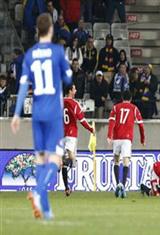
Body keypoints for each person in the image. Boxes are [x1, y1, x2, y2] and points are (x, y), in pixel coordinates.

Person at [10, 13, 72, 220]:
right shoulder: (57, 52)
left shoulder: (29, 55)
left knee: (40, 159)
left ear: (37, 30)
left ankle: (45, 209)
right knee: (55, 158)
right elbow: (68, 78)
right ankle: (38, 192)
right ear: (52, 30)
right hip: (53, 112)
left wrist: (17, 114)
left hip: (36, 112)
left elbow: (22, 87)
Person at [107, 90, 145, 198]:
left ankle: (117, 184)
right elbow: (141, 125)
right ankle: (123, 185)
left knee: (116, 161)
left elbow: (111, 122)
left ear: (122, 98)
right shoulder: (134, 108)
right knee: (126, 162)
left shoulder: (116, 107)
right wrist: (142, 139)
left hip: (117, 138)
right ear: (131, 98)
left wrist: (109, 136)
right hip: (127, 139)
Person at [62, 84, 94, 196]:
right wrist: (91, 129)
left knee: (64, 163)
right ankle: (73, 162)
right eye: (74, 88)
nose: (76, 90)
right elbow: (82, 120)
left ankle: (66, 188)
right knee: (71, 155)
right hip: (71, 132)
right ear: (70, 91)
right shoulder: (74, 103)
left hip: (61, 133)